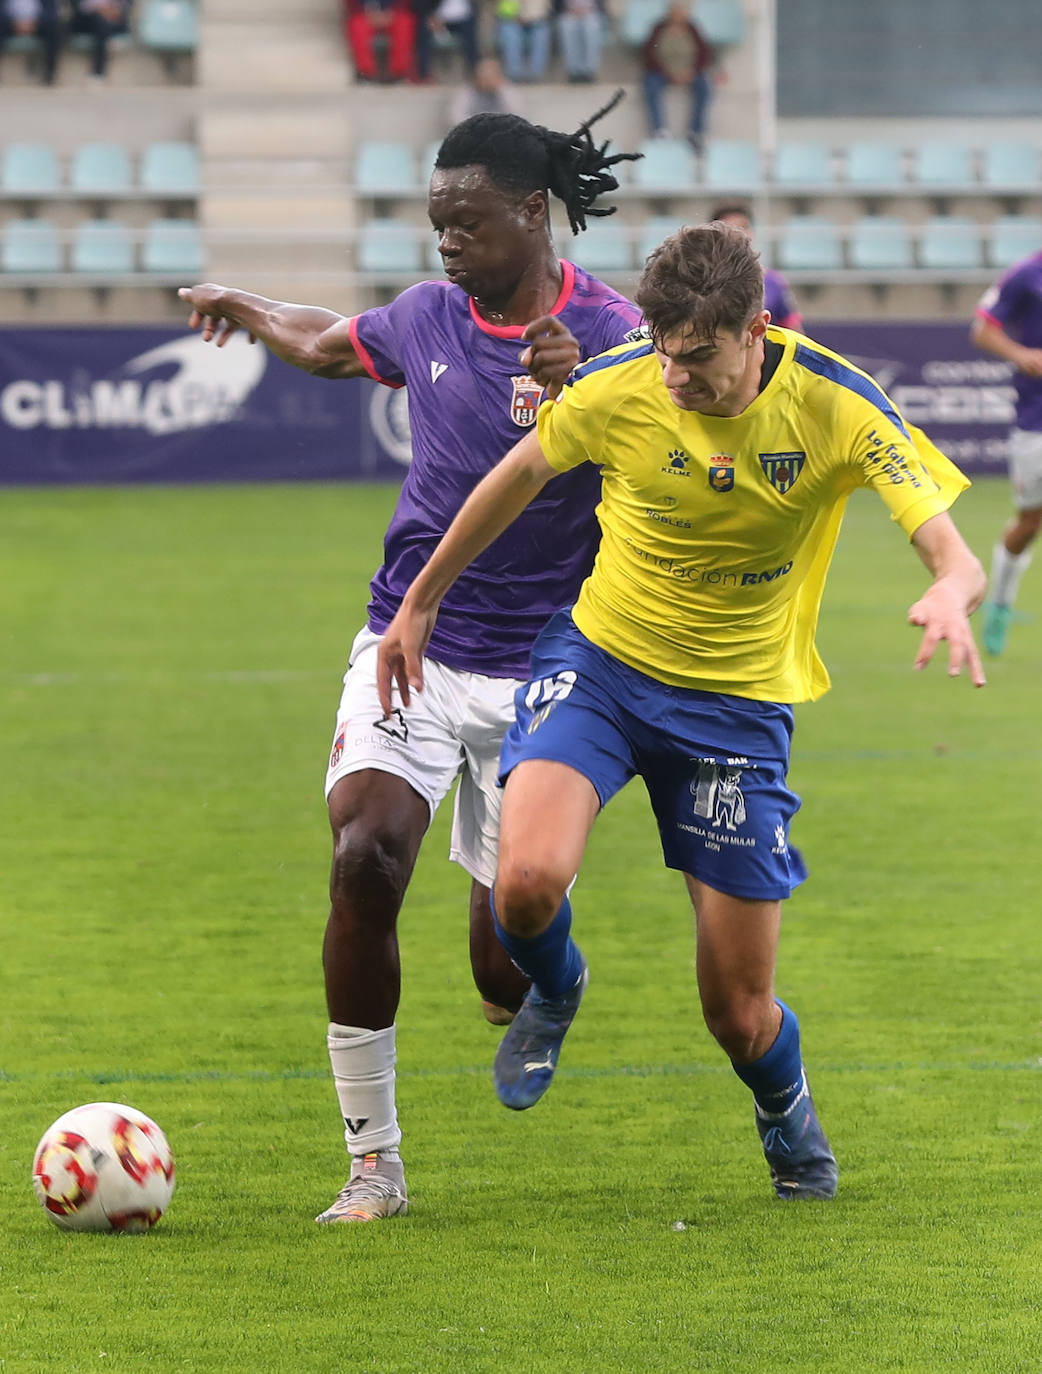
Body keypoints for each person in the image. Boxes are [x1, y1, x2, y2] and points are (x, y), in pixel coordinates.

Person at [377, 222, 986, 1204]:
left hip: (734, 711)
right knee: (522, 885)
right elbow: (519, 474)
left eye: (697, 358)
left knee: (737, 1013)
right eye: (662, 353)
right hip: (602, 665)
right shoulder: (624, 380)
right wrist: (420, 600)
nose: (673, 379)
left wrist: (953, 588)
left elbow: (947, 545)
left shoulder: (837, 403)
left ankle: (786, 1117)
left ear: (753, 330)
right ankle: (559, 985)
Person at [179, 99, 642, 1224]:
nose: (446, 243)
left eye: (467, 223)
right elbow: (329, 340)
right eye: (436, 224)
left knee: (502, 971)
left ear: (534, 215)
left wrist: (591, 384)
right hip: (410, 643)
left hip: (547, 670)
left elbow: (692, 425)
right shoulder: (430, 317)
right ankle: (373, 1166)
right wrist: (246, 305)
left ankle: (547, 982)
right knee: (365, 859)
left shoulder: (618, 334)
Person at [971, 253, 1042, 655]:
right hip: (1036, 422)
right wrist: (1020, 355)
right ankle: (999, 604)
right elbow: (983, 329)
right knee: (1029, 523)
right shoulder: (1026, 275)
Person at [711, 202, 803, 330]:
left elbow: (794, 331)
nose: (739, 234)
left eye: (743, 227)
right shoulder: (701, 282)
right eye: (730, 228)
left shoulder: (773, 281)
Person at [640, 1, 715, 152]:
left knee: (704, 87)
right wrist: (669, 72)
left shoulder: (693, 29)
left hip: (689, 72)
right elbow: (648, 55)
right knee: (650, 85)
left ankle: (695, 132)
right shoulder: (658, 28)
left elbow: (704, 55)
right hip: (662, 72)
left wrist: (691, 71)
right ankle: (660, 130)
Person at [342, 0, 416, 84]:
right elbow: (351, 3)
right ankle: (366, 73)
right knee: (357, 26)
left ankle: (399, 72)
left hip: (394, 14)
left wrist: (393, 12)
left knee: (404, 23)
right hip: (364, 14)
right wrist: (368, 13)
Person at [447, 55, 521, 127]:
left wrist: (501, 90)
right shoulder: (466, 91)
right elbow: (455, 117)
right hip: (473, 131)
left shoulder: (507, 90)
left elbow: (517, 115)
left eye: (491, 75)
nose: (487, 79)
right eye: (483, 75)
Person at [0, 0, 62, 85]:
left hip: (37, 24)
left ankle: (49, 75)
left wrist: (34, 23)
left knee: (53, 27)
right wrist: (14, 23)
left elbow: (51, 11)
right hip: (9, 24)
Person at [70, 0, 129, 82]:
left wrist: (111, 9)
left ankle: (97, 72)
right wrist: (98, 8)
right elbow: (78, 6)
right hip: (88, 20)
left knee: (102, 25)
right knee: (100, 23)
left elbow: (123, 5)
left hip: (112, 18)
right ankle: (99, 72)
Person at [495, 0, 551, 84]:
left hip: (537, 19)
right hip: (510, 19)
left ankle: (534, 76)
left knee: (541, 35)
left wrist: (529, 17)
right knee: (510, 35)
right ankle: (515, 76)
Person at [554, 0, 604, 84]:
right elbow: (558, 4)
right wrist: (571, 9)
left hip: (591, 12)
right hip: (568, 13)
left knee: (592, 28)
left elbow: (601, 3)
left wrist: (588, 9)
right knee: (567, 26)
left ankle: (589, 71)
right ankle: (573, 71)